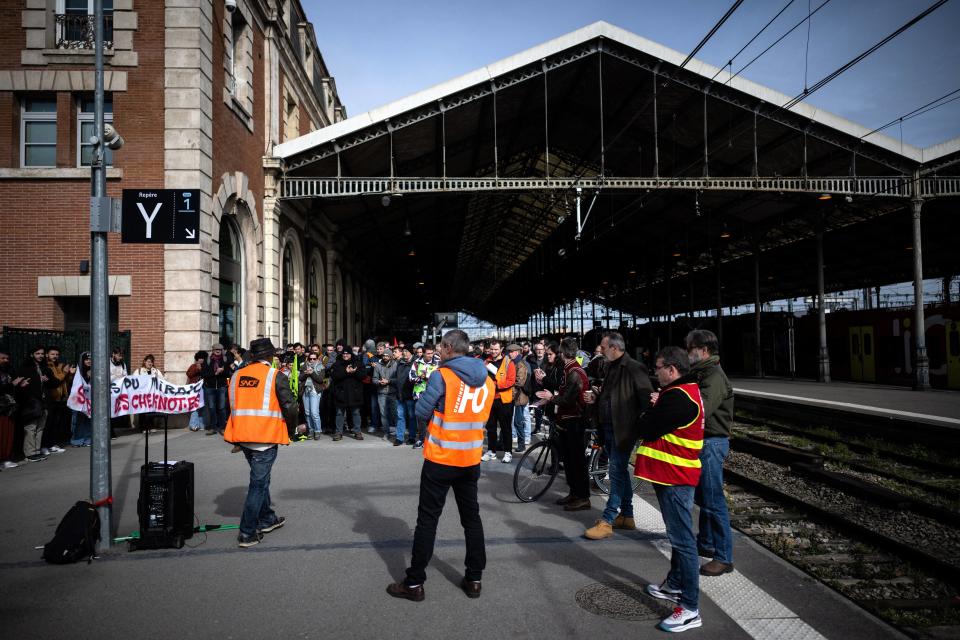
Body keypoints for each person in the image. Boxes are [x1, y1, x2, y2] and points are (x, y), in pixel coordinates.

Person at [387, 329, 495, 602]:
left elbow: (422, 411)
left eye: (440, 348)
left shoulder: (442, 376)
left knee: (427, 520)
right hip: (470, 459)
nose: (438, 352)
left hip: (441, 458)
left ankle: (414, 583)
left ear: (448, 347)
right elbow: (481, 415)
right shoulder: (488, 380)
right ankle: (474, 578)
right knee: (471, 518)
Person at [637, 346, 705, 633]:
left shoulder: (678, 397)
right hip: (671, 477)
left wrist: (649, 410)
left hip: (676, 479)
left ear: (672, 370)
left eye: (658, 367)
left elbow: (647, 428)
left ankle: (690, 608)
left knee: (683, 542)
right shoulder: (681, 392)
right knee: (679, 538)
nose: (656, 371)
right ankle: (674, 585)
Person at [223, 338, 298, 548]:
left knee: (261, 480)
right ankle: (247, 532)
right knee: (258, 485)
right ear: (270, 356)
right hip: (264, 438)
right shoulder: (275, 376)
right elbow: (290, 408)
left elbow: (230, 405)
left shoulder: (237, 374)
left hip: (243, 438)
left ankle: (267, 519)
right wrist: (291, 430)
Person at [583, 332, 652, 540]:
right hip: (610, 427)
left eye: (603, 348)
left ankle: (608, 520)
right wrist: (596, 396)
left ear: (614, 348)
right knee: (619, 472)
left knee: (616, 472)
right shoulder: (612, 367)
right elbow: (611, 396)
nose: (600, 351)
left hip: (623, 429)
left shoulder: (633, 368)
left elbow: (646, 399)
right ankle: (627, 516)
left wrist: (636, 425)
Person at [686, 329, 736, 576]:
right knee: (705, 498)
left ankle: (724, 557)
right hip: (704, 442)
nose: (688, 353)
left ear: (703, 350)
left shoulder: (713, 376)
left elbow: (701, 408)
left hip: (712, 443)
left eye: (690, 348)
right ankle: (705, 543)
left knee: (714, 500)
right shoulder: (702, 373)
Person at [535, 337, 591, 511]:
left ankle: (582, 497)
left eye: (559, 351)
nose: (557, 354)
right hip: (567, 421)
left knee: (577, 461)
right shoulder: (569, 370)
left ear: (563, 352)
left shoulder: (575, 372)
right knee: (569, 460)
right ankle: (574, 493)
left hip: (575, 421)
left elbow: (568, 399)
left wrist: (551, 398)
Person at [17, 346, 58, 462]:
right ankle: (29, 453)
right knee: (31, 428)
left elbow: (55, 383)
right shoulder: (25, 368)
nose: (40, 356)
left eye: (41, 354)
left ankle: (36, 450)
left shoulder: (45, 368)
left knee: (40, 428)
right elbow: (20, 386)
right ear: (32, 354)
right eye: (37, 353)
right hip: (31, 403)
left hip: (44, 403)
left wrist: (47, 379)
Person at [480, 340, 516, 463]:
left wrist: (496, 385)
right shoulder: (486, 362)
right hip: (489, 400)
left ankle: (508, 452)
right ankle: (491, 451)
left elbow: (511, 381)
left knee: (506, 428)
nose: (494, 351)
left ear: (501, 349)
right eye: (492, 349)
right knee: (491, 427)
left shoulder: (508, 363)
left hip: (504, 400)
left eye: (496, 349)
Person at [330, 350, 365, 441]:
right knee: (339, 413)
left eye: (347, 353)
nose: (345, 355)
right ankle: (338, 432)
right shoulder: (337, 364)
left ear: (351, 354)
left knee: (356, 412)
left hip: (355, 393)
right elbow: (334, 376)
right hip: (341, 393)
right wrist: (345, 372)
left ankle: (357, 431)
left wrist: (354, 372)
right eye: (344, 354)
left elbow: (363, 376)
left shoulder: (358, 363)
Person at [0, 349, 25, 468]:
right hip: (2, 407)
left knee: (7, 434)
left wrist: (20, 385)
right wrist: (12, 384)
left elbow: (11, 388)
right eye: (2, 358)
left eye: (7, 358)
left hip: (8, 408)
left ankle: (6, 458)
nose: (5, 360)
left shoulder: (8, 371)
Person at [202, 343, 232, 436]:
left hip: (221, 386)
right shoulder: (207, 360)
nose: (218, 351)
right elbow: (203, 374)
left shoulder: (226, 360)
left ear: (222, 350)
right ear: (213, 350)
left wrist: (223, 371)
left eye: (220, 349)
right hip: (209, 387)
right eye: (216, 350)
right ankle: (213, 427)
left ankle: (222, 427)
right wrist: (215, 373)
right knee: (211, 408)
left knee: (222, 408)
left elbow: (229, 373)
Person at [506, 343, 531, 453]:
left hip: (518, 398)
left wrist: (507, 384)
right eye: (509, 352)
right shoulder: (514, 363)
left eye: (511, 352)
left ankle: (521, 444)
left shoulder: (520, 364)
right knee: (511, 420)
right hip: (515, 396)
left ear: (517, 352)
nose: (509, 354)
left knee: (518, 421)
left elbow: (520, 382)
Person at [372, 346, 399, 441]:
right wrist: (379, 382)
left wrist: (388, 381)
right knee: (383, 414)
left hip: (393, 392)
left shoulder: (396, 365)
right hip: (381, 392)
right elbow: (374, 379)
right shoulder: (378, 366)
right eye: (384, 355)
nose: (385, 357)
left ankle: (398, 432)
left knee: (395, 413)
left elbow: (398, 379)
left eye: (387, 355)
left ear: (391, 356)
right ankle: (386, 433)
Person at [133, 354, 164, 433]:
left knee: (152, 411)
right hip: (142, 396)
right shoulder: (139, 371)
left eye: (151, 362)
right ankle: (143, 427)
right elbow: (134, 381)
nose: (150, 363)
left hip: (152, 395)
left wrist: (158, 377)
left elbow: (163, 380)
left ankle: (151, 426)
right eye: (148, 362)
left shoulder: (156, 371)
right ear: (144, 362)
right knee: (143, 411)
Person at [394, 346, 417, 446]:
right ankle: (399, 438)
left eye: (406, 351)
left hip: (410, 395)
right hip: (400, 395)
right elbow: (397, 377)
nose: (404, 353)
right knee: (400, 417)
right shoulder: (400, 362)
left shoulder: (415, 363)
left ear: (411, 352)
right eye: (403, 351)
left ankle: (412, 437)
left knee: (411, 417)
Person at [69, 353, 93, 447]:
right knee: (77, 420)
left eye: (90, 359)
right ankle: (76, 440)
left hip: (89, 400)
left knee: (88, 420)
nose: (89, 361)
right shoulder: (77, 371)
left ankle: (87, 439)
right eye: (87, 359)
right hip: (78, 400)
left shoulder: (94, 371)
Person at [300, 350, 325, 440]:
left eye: (314, 359)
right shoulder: (304, 366)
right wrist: (306, 374)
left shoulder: (321, 366)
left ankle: (317, 430)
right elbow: (300, 378)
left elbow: (320, 380)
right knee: (307, 413)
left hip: (315, 391)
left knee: (314, 412)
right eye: (310, 359)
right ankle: (311, 430)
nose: (312, 360)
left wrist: (312, 373)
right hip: (305, 390)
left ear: (317, 359)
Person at [109, 347, 128, 439]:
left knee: (114, 411)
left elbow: (125, 376)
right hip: (108, 391)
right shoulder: (107, 363)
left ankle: (111, 430)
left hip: (118, 392)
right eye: (119, 355)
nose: (120, 358)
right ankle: (109, 431)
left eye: (121, 356)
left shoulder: (123, 365)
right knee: (108, 411)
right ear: (113, 354)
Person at [186, 351, 207, 432]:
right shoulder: (193, 366)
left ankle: (201, 424)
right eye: (200, 358)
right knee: (195, 407)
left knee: (202, 407)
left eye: (203, 358)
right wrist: (197, 369)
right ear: (197, 359)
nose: (202, 360)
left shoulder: (205, 366)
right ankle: (193, 424)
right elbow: (189, 374)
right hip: (194, 390)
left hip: (203, 389)